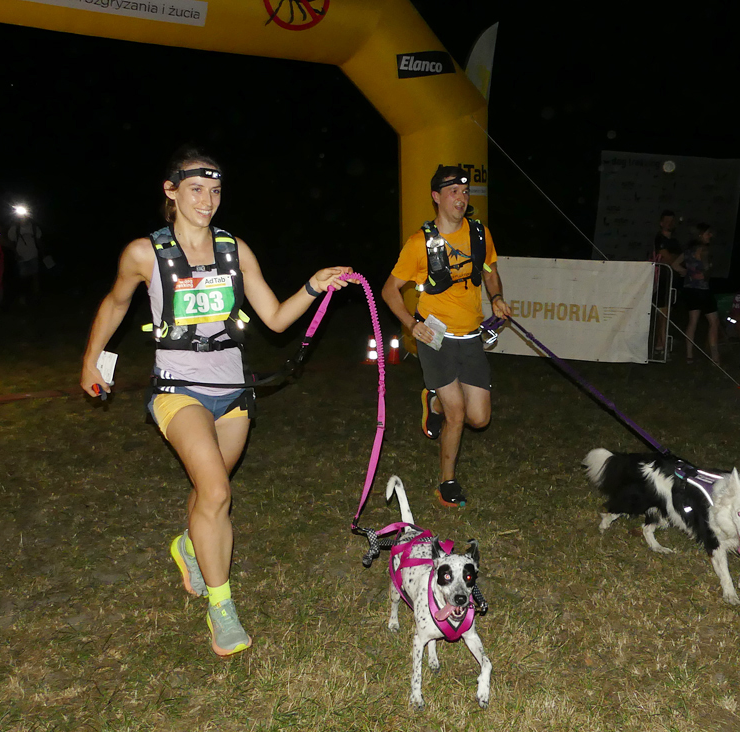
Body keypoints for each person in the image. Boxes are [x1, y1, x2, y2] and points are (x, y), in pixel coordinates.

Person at [79, 148, 353, 657]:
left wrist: (313, 286)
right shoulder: (144, 253)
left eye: (216, 191)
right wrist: (91, 359)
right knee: (217, 490)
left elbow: (275, 318)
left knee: (210, 494)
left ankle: (188, 544)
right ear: (171, 191)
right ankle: (221, 607)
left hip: (234, 392)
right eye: (196, 189)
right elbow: (116, 303)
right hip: (177, 389)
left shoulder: (234, 249)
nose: (207, 200)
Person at [381, 165, 512, 509]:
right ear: (436, 197)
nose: (461, 197)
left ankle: (433, 402)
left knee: (479, 418)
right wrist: (410, 324)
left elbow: (490, 271)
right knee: (457, 414)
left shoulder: (480, 234)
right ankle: (447, 482)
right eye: (453, 191)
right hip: (434, 336)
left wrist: (497, 297)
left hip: (470, 337)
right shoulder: (419, 243)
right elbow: (390, 290)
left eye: (465, 191)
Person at [679, 223, 720, 364]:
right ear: (701, 235)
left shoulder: (688, 251)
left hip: (690, 289)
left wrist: (685, 272)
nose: (710, 236)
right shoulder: (704, 250)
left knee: (692, 322)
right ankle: (715, 357)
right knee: (714, 322)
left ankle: (689, 355)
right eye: (708, 233)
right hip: (702, 290)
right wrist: (706, 272)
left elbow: (675, 264)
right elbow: (706, 272)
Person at [652, 210, 683, 357]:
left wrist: (674, 261)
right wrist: (675, 262)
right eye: (667, 221)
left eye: (672, 221)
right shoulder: (659, 238)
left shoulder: (675, 241)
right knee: (662, 314)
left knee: (668, 313)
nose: (670, 224)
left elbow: (677, 258)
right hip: (662, 280)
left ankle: (661, 343)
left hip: (673, 281)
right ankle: (661, 346)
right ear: (661, 223)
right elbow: (668, 259)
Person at [7, 212, 43, 304]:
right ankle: (23, 297)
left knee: (35, 277)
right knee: (22, 278)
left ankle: (36, 297)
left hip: (33, 255)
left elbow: (39, 241)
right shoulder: (14, 228)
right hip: (21, 257)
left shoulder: (34, 228)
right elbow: (11, 243)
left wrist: (43, 253)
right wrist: (15, 254)